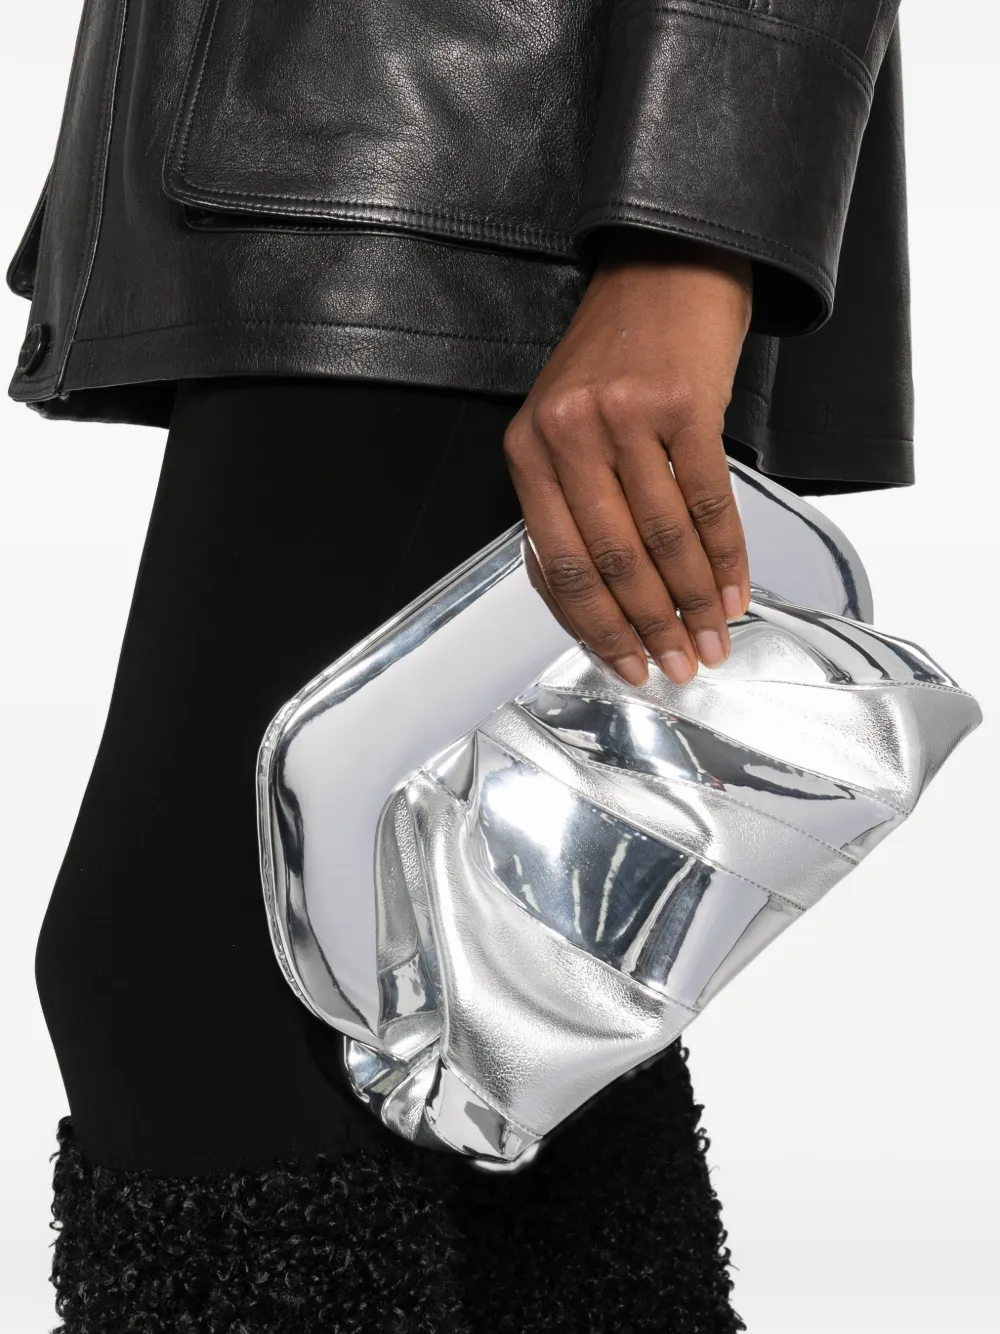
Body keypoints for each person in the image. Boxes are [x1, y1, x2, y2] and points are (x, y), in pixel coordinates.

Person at [7, 1, 911, 1329]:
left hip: (475, 154)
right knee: (487, 992)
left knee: (215, 989)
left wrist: (687, 243)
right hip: (395, 148)